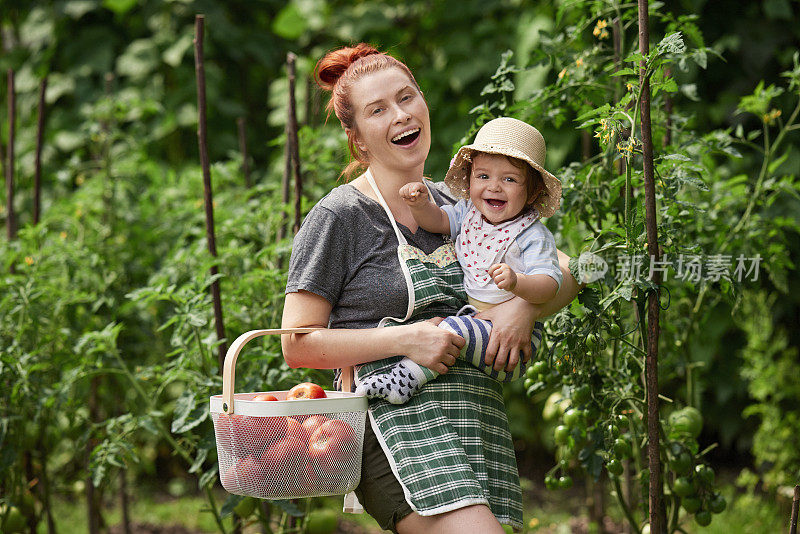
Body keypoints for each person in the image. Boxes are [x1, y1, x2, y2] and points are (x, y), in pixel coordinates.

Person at [281, 43, 582, 534]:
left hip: (471, 420)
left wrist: (523, 308)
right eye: (378, 110)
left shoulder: (459, 204)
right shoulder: (341, 217)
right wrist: (407, 339)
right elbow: (297, 343)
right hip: (391, 423)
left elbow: (562, 266)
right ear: (357, 140)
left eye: (406, 98)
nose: (400, 115)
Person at [356, 117, 563, 404]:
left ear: (534, 192)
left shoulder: (531, 235)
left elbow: (550, 284)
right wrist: (420, 205)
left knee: (446, 332)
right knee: (445, 328)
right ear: (470, 178)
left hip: (510, 341)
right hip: (476, 322)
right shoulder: (469, 214)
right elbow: (438, 221)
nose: (494, 187)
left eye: (509, 179)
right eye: (483, 176)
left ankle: (403, 380)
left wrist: (519, 285)